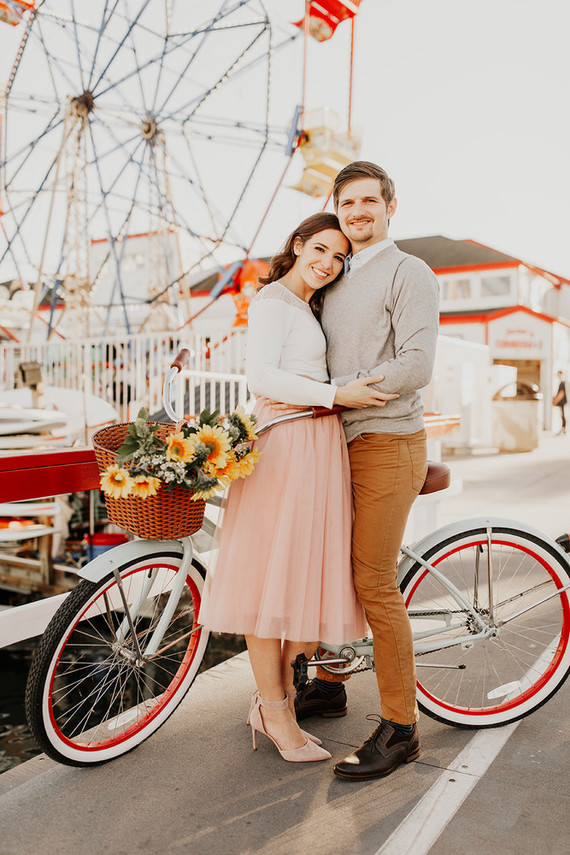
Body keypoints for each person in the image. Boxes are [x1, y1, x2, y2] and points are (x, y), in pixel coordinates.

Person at [200, 212, 398, 764]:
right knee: (270, 587)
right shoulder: (271, 303)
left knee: (302, 588)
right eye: (320, 250)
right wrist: (336, 395)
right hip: (286, 447)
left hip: (316, 448)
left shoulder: (309, 307)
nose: (328, 264)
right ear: (298, 244)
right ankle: (277, 713)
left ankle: (275, 703)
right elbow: (259, 377)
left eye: (339, 258)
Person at [294, 161, 440, 781]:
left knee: (375, 582)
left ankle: (402, 728)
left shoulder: (410, 272)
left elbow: (416, 364)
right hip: (333, 441)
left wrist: (344, 391)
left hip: (387, 439)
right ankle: (328, 686)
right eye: (346, 202)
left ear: (390, 207)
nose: (356, 213)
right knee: (331, 568)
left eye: (368, 203)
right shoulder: (333, 275)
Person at [553, 371, 566, 435]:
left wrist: (555, 401)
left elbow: (561, 393)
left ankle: (562, 429)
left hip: (561, 403)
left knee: (561, 416)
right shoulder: (562, 383)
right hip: (562, 402)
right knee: (562, 415)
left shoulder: (562, 383)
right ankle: (562, 429)